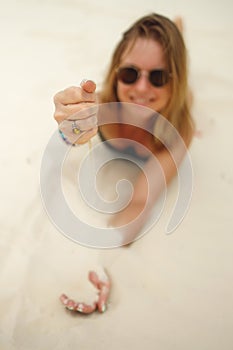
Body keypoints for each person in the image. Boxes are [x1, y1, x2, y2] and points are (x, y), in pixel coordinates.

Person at [53, 13, 194, 312]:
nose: (141, 88)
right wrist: (69, 128)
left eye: (158, 77)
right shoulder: (103, 105)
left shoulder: (179, 128)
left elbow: (141, 200)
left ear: (174, 81)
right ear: (116, 72)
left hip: (177, 109)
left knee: (181, 48)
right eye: (130, 73)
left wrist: (100, 258)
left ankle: (179, 31)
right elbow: (72, 139)